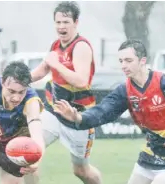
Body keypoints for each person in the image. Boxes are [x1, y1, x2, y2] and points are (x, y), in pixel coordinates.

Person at [53, 39, 165, 184]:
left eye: (128, 61)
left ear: (142, 60)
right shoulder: (125, 91)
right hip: (148, 158)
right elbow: (103, 111)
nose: (123, 65)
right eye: (121, 61)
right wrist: (78, 116)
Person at [26, 1, 102, 184]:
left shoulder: (81, 46)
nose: (61, 26)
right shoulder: (55, 45)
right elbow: (41, 71)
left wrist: (57, 64)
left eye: (66, 22)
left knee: (81, 171)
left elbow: (82, 81)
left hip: (78, 117)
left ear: (76, 23)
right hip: (53, 112)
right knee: (28, 154)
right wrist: (14, 79)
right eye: (58, 22)